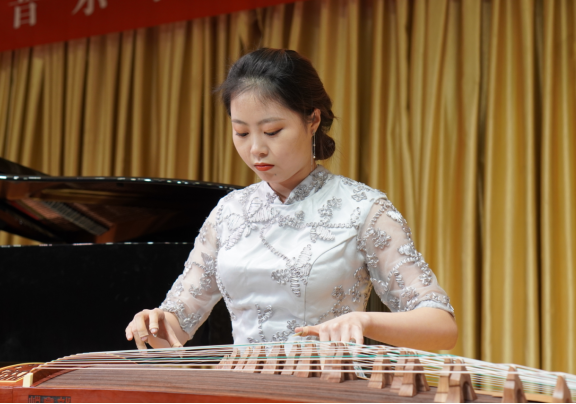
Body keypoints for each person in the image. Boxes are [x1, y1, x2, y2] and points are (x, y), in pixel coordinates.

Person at [126, 48, 458, 351]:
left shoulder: (363, 209)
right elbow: (174, 328)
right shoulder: (228, 213)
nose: (256, 148)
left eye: (272, 131)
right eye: (242, 132)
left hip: (326, 385)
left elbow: (441, 327)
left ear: (312, 120)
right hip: (240, 386)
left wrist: (364, 321)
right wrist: (153, 324)